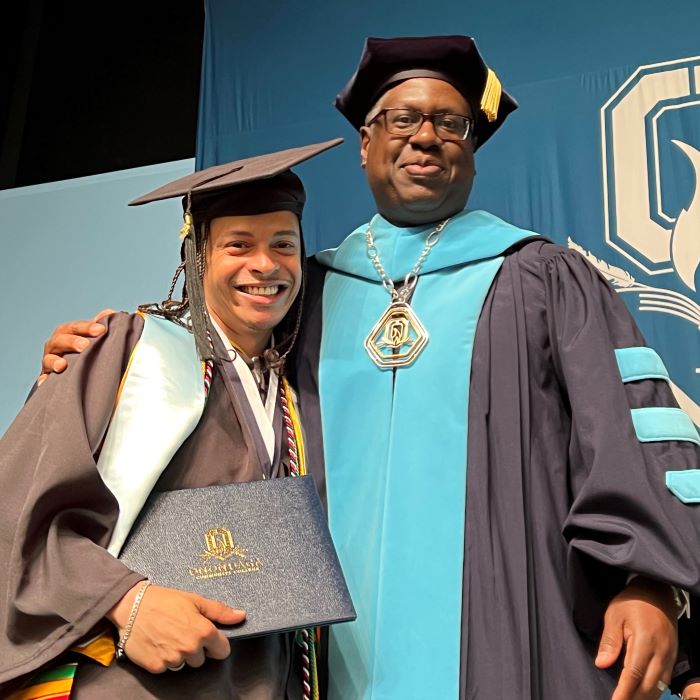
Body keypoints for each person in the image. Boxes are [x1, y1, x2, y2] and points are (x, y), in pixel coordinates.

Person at [36, 36, 700, 700]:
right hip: (320, 649)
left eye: (451, 123)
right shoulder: (308, 293)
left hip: (506, 629)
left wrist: (652, 583)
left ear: (471, 147)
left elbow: (631, 429)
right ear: (364, 143)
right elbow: (212, 396)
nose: (427, 136)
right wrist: (100, 363)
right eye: (403, 119)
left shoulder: (542, 278)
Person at [0, 138, 342, 699]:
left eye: (283, 244)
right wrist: (126, 601)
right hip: (132, 680)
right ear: (198, 255)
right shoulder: (128, 350)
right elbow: (17, 507)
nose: (265, 264)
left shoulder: (303, 380)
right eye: (239, 244)